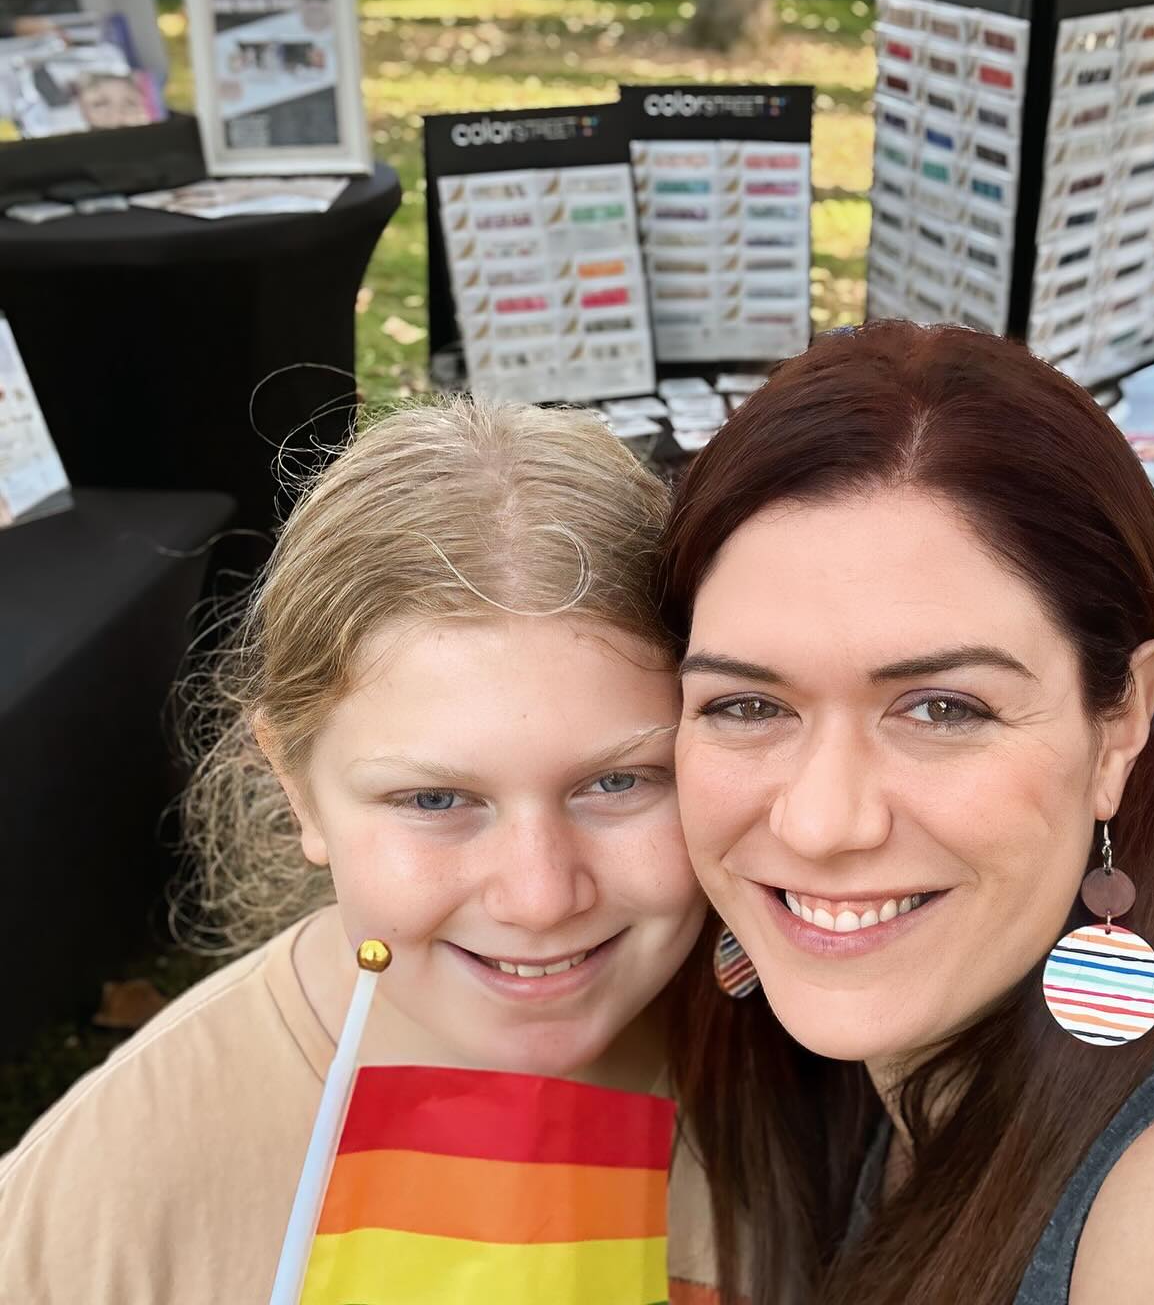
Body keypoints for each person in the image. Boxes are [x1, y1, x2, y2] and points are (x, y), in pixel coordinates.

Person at [659, 321, 1154, 1305]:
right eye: (748, 705)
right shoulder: (844, 1076)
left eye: (943, 709)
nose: (821, 825)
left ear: (1121, 726)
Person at [0, 396, 718, 1302]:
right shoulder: (109, 1201)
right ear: (298, 785)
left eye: (618, 783)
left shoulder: (828, 1067)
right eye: (433, 799)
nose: (540, 897)